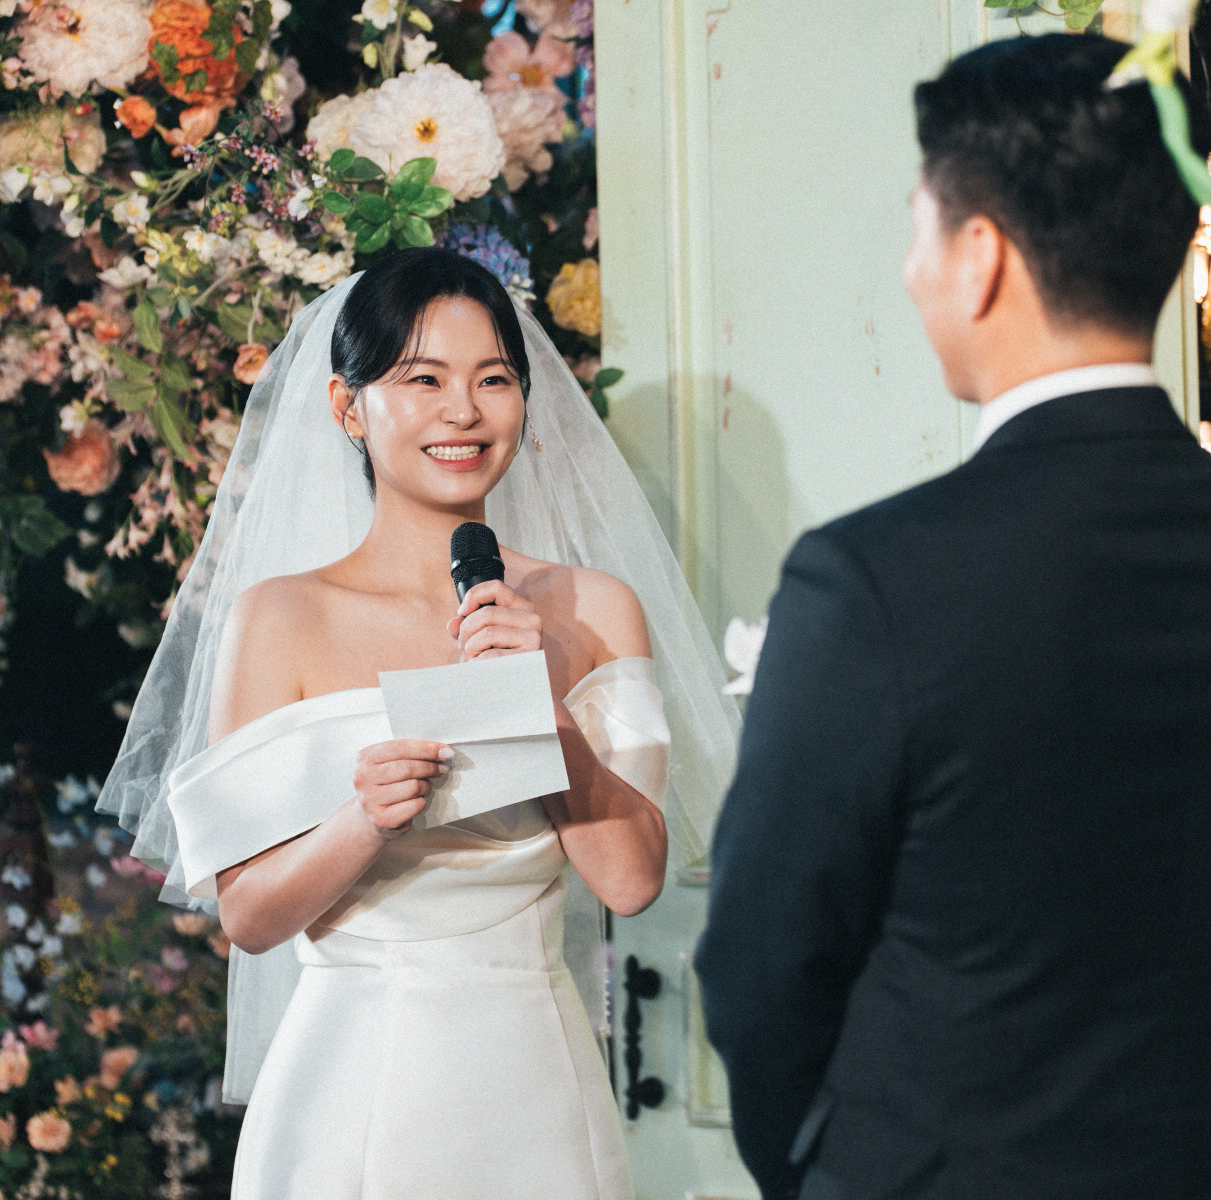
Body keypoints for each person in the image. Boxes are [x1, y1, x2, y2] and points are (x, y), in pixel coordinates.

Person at [694, 34, 1211, 1200]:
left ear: (982, 258)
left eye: (920, 228)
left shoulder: (871, 580)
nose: (909, 272)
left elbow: (761, 966)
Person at [97, 248, 739, 1200]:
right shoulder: (280, 618)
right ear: (348, 407)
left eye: (494, 380)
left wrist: (545, 714)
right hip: (349, 1084)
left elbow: (632, 880)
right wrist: (362, 821)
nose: (463, 412)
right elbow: (249, 917)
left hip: (536, 1080)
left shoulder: (594, 607)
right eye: (423, 379)